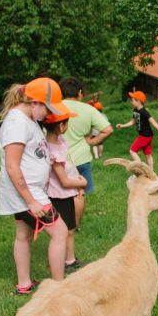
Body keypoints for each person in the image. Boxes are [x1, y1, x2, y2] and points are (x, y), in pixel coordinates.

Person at [0, 78, 70, 294]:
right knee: (60, 232)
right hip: (28, 194)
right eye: (48, 108)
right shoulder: (17, 123)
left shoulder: (27, 119)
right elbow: (12, 166)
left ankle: (24, 284)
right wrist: (31, 201)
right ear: (35, 102)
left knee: (23, 235)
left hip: (29, 192)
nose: (49, 114)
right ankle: (59, 288)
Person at [61, 77, 113, 228]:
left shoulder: (55, 108)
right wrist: (91, 142)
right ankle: (75, 226)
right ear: (80, 93)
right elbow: (108, 130)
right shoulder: (89, 109)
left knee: (59, 194)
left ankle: (61, 225)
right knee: (79, 194)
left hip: (59, 160)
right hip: (82, 158)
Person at [43, 111, 88, 275]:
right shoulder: (53, 150)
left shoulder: (59, 141)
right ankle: (63, 262)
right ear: (61, 126)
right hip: (59, 195)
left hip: (68, 192)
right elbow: (63, 181)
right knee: (64, 231)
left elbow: (70, 165)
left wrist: (78, 185)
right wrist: (82, 182)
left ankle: (70, 260)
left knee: (70, 227)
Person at [116, 91, 158, 170]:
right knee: (148, 155)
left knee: (132, 151)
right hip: (146, 135)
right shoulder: (135, 110)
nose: (131, 102)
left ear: (138, 101)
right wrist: (123, 125)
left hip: (145, 136)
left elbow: (154, 123)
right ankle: (151, 173)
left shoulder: (144, 112)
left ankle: (141, 169)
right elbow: (133, 121)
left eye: (133, 100)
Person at [87, 92, 106, 159]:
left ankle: (96, 156)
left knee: (94, 144)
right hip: (101, 131)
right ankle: (100, 155)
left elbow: (91, 124)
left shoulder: (94, 116)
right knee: (100, 143)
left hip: (94, 132)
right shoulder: (104, 115)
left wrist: (90, 132)